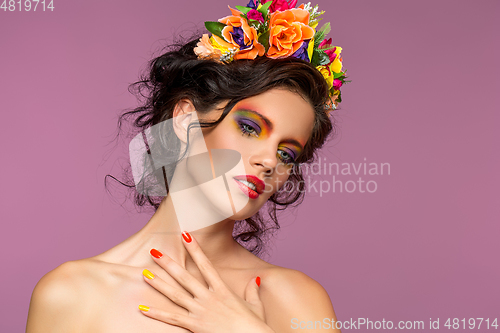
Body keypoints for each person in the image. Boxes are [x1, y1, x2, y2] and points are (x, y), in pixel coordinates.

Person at [26, 1, 347, 332]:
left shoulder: (295, 299)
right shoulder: (70, 295)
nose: (268, 161)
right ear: (185, 119)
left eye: (285, 154)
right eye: (250, 128)